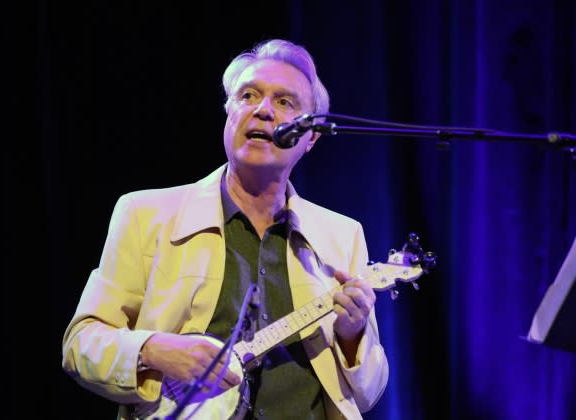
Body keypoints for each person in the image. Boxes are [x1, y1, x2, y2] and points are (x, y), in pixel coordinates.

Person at [62, 38, 389, 420]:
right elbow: (81, 344)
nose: (264, 111)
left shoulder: (341, 235)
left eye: (285, 102)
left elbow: (367, 395)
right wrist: (152, 349)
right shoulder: (145, 213)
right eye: (248, 95)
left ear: (311, 137)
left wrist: (353, 337)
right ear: (229, 113)